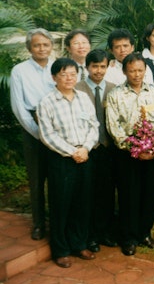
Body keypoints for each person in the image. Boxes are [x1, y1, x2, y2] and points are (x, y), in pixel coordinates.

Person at [37, 58, 99, 268]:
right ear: (54, 78)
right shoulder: (47, 102)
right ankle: (61, 249)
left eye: (73, 74)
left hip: (85, 154)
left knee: (83, 202)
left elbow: (94, 126)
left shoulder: (83, 98)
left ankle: (79, 243)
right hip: (61, 159)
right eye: (64, 74)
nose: (69, 78)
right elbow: (47, 135)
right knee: (61, 204)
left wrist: (86, 148)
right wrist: (73, 152)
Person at [106, 53, 154, 256]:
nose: (136, 74)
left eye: (140, 70)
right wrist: (135, 149)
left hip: (152, 152)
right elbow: (113, 127)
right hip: (127, 154)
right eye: (132, 70)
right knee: (129, 195)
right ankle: (129, 237)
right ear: (124, 71)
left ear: (145, 70)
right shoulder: (115, 94)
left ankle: (145, 233)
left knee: (149, 194)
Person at [10, 28, 56, 240]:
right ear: (29, 48)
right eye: (37, 45)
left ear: (51, 46)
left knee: (58, 179)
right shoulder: (19, 71)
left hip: (58, 127)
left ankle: (57, 221)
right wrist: (40, 134)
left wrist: (54, 134)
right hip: (33, 128)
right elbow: (19, 107)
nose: (41, 48)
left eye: (45, 44)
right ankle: (38, 224)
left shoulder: (57, 68)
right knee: (37, 179)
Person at [75, 49, 118, 252]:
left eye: (102, 66)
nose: (99, 71)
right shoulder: (77, 89)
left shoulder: (114, 89)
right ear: (87, 67)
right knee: (88, 193)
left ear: (108, 66)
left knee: (107, 192)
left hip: (109, 148)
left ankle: (105, 232)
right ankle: (90, 235)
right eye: (94, 66)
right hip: (87, 148)